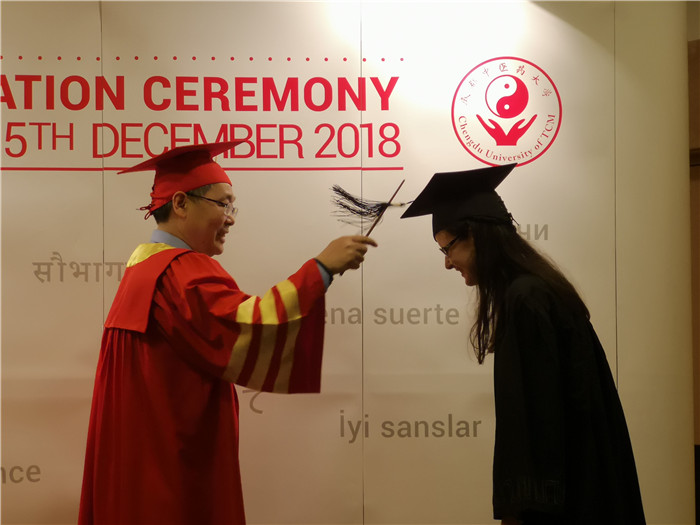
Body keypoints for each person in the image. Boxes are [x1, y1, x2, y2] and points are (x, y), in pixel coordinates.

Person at [78, 141, 377, 525]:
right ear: (181, 203)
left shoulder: (142, 266)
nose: (231, 219)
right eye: (224, 204)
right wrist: (321, 269)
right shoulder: (183, 271)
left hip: (134, 465)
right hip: (170, 469)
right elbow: (252, 325)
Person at [400, 163, 646, 525]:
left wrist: (519, 511)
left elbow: (536, 421)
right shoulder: (538, 288)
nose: (448, 263)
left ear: (475, 235)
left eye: (448, 249)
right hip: (586, 487)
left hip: (564, 505)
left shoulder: (526, 299)